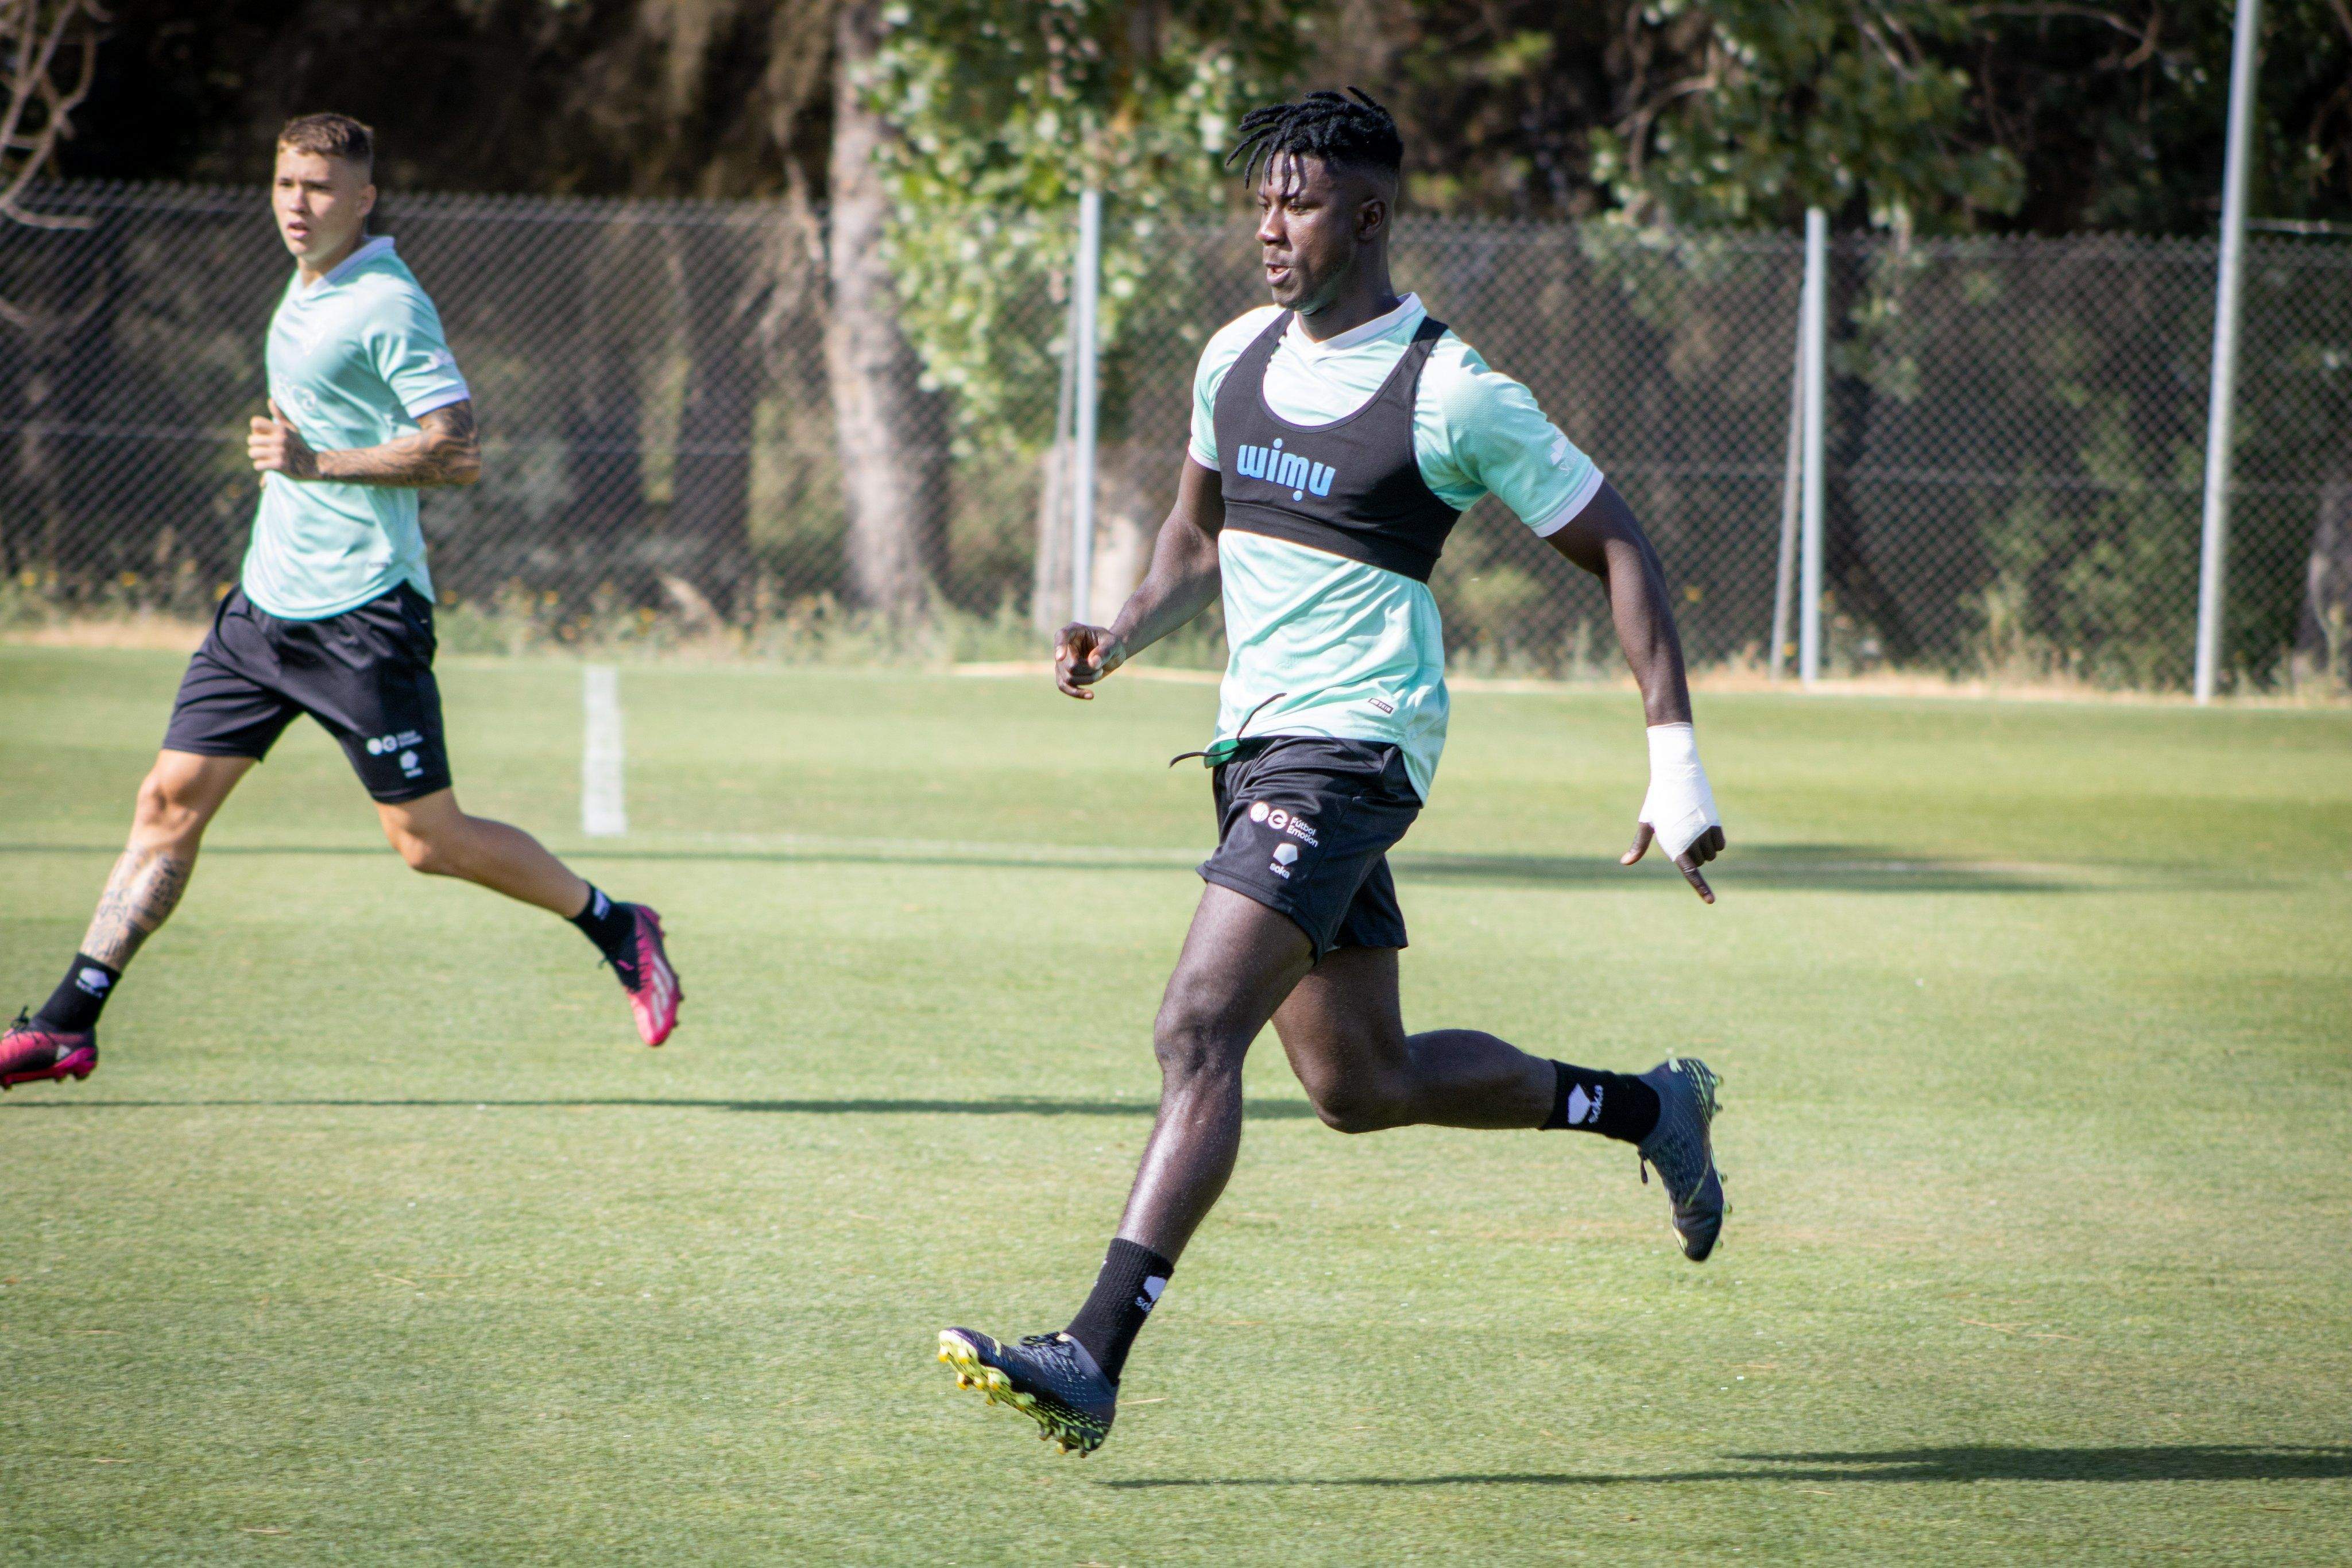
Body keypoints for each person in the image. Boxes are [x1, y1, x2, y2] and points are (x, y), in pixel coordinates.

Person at [937, 90, 1727, 1456]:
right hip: (1255, 750)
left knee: (1196, 1027)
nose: (1267, 226)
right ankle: (1652, 1106)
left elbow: (1617, 544)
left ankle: (1091, 1351)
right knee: (1358, 1083)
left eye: (1295, 201)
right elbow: (1193, 542)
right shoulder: (1233, 354)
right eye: (1259, 201)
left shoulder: (1450, 387)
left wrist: (1674, 753)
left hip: (1354, 747)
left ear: (1365, 214)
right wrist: (1119, 632)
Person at [1, 113, 681, 1090]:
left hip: (363, 614)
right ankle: (70, 1021)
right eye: (286, 183)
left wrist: (320, 464)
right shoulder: (307, 278)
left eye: (320, 188)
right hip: (263, 609)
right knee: (166, 803)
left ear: (363, 199)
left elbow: (459, 447)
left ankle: (616, 923)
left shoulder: (387, 302)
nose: (297, 203)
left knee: (427, 843)